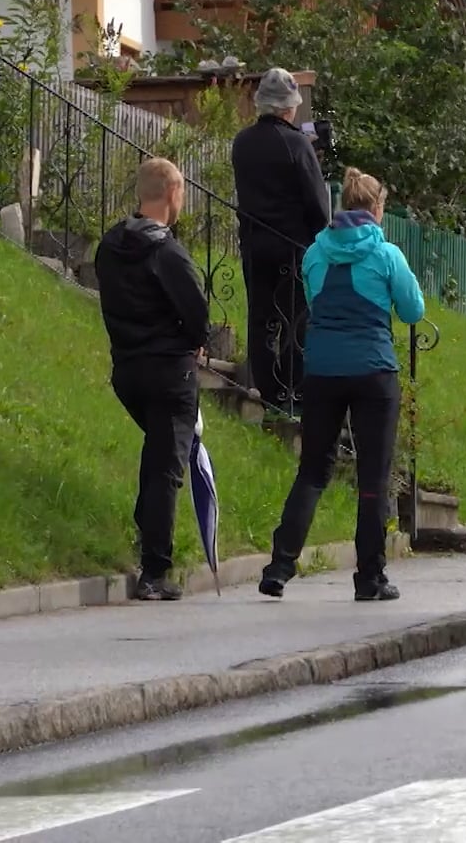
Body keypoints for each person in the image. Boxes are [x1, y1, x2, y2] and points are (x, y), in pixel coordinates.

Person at [259, 167, 425, 602]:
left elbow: (315, 301)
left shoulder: (316, 253)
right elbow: (412, 310)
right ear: (376, 209)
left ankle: (279, 565)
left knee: (313, 470)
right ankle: (369, 578)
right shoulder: (387, 255)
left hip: (323, 373)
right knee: (373, 476)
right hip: (373, 372)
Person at [94, 157, 211, 602]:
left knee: (157, 457)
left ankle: (147, 535)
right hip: (169, 373)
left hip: (128, 370)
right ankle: (155, 571)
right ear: (173, 193)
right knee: (166, 468)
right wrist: (193, 342)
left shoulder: (110, 246)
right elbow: (196, 314)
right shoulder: (167, 252)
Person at [231, 67, 331, 418]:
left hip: (254, 242)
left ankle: (268, 390)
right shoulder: (297, 144)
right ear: (289, 107)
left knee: (261, 319)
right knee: (296, 319)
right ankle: (293, 389)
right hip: (292, 246)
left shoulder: (242, 143)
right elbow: (318, 205)